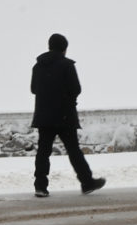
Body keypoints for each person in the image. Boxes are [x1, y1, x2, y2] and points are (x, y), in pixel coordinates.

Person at [30, 33, 105, 199]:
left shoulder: (38, 66)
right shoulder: (67, 65)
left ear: (50, 46)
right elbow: (76, 89)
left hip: (44, 116)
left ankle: (40, 186)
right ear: (64, 48)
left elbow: (34, 89)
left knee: (43, 151)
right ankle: (86, 182)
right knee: (73, 150)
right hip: (64, 116)